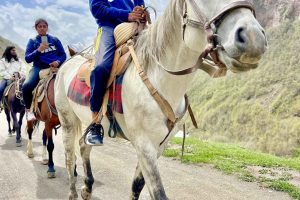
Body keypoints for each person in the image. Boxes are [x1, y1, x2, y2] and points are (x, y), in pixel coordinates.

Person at [86, 0, 146, 145]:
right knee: (101, 67)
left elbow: (140, 4)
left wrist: (141, 13)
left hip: (135, 26)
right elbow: (97, 9)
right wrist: (127, 15)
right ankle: (94, 123)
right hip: (108, 27)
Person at [23, 18, 66, 121]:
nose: (42, 28)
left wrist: (58, 62)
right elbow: (27, 58)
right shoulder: (33, 41)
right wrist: (38, 50)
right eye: (39, 27)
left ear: (47, 28)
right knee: (26, 86)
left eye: (44, 26)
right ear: (36, 28)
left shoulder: (55, 40)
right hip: (38, 68)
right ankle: (28, 111)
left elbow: (63, 54)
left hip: (54, 67)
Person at [0, 46, 27, 111]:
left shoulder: (19, 60)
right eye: (13, 50)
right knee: (0, 89)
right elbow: (2, 71)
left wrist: (20, 74)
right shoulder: (3, 61)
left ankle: (27, 104)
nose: (15, 52)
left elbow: (24, 69)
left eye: (15, 50)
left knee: (27, 87)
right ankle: (0, 104)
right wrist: (10, 77)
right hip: (7, 78)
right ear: (8, 51)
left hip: (19, 78)